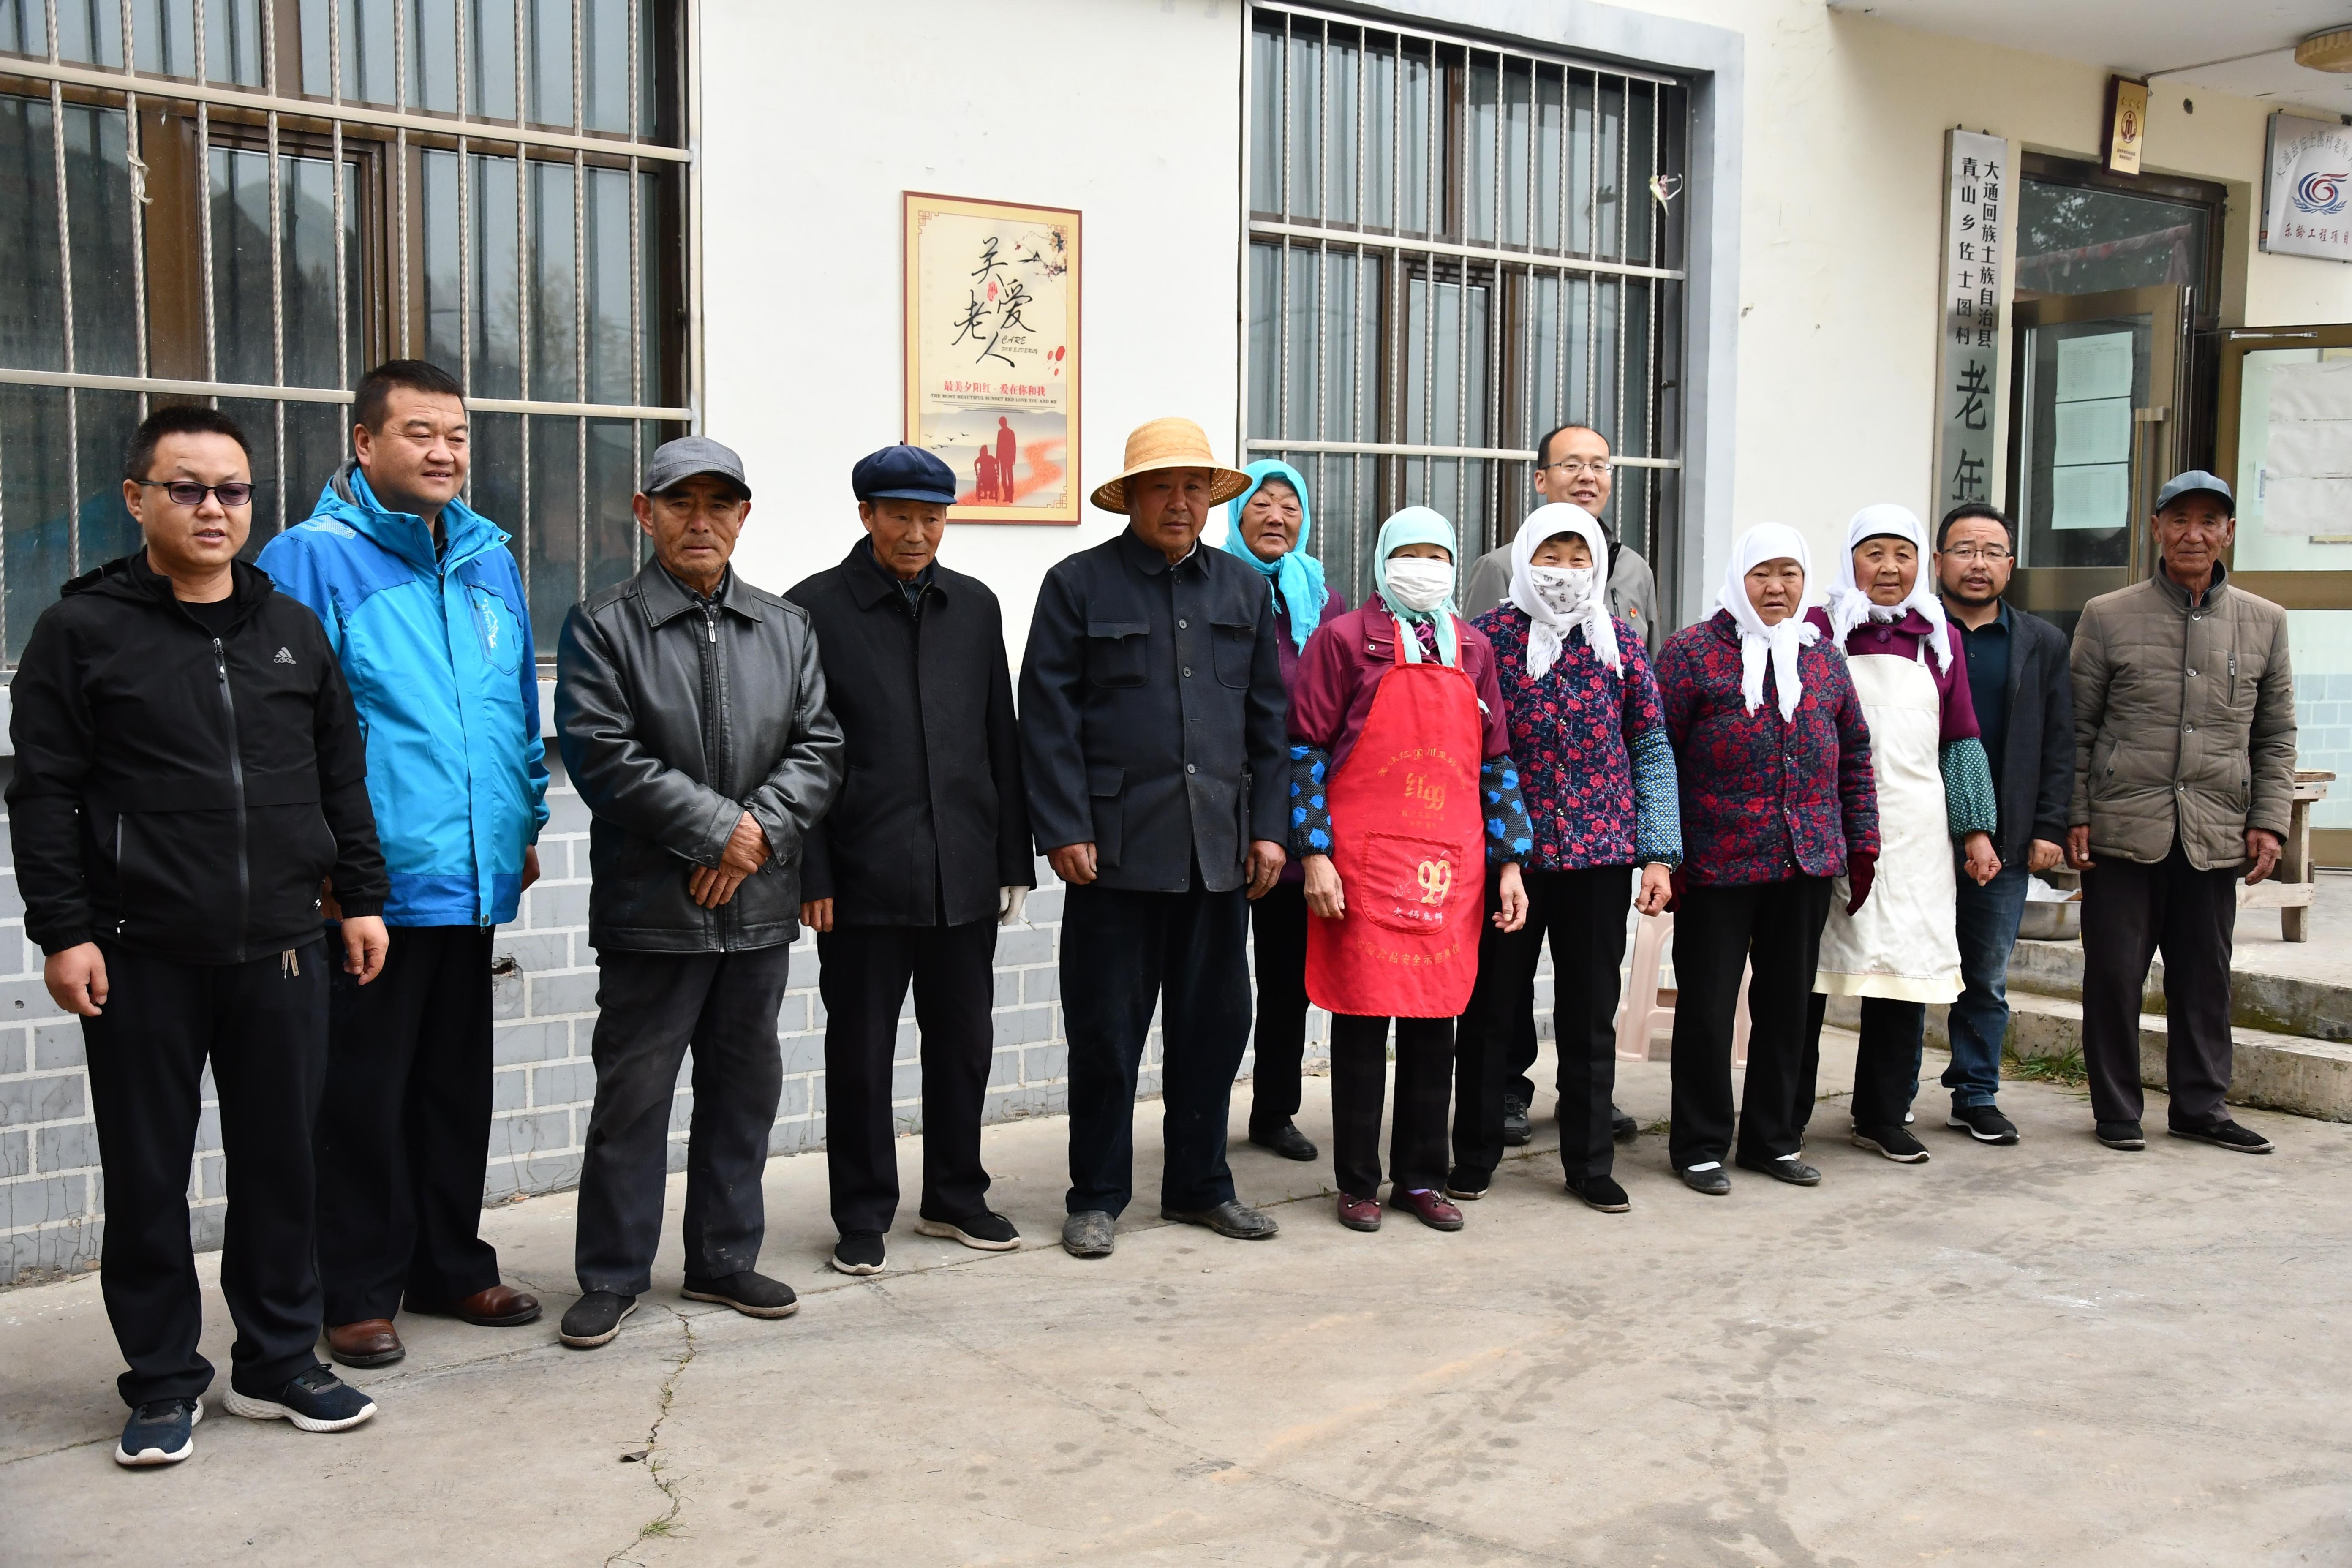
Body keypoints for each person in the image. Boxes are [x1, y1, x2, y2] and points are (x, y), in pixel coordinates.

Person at [12, 406, 392, 1465]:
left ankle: (277, 1363)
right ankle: (164, 1381)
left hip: (281, 948)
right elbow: (43, 795)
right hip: (138, 956)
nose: (214, 508)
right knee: (147, 1175)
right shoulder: (81, 632)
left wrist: (359, 896)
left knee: (282, 1166)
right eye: (188, 488)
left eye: (232, 490)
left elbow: (339, 775)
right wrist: (64, 931)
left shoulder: (291, 628)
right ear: (137, 499)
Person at [258, 360, 548, 1370]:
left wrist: (525, 821)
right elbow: (295, 733)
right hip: (370, 888)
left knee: (453, 1086)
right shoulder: (310, 560)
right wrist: (336, 876)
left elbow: (516, 705)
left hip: (471, 877)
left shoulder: (486, 558)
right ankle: (356, 1288)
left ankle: (450, 1264)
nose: (444, 452)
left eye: (458, 435)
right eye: (420, 432)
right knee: (361, 1095)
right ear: (364, 441)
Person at [553, 436, 844, 1347]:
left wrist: (753, 834)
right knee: (633, 1098)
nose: (702, 520)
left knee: (742, 1088)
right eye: (682, 503)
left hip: (755, 912)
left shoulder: (784, 626)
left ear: (744, 517)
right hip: (655, 910)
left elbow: (820, 745)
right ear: (646, 514)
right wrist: (722, 829)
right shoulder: (604, 625)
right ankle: (612, 1270)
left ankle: (723, 1255)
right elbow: (604, 754)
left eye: (722, 503)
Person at [1020, 417, 1290, 1258]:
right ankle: (1097, 1194)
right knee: (1105, 1033)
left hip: (1220, 853)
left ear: (1211, 500)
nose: (1180, 502)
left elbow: (1270, 724)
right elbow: (1047, 716)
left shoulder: (1245, 591)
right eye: (1162, 487)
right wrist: (1064, 825)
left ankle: (1200, 1184)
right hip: (1115, 855)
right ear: (1130, 497)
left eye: (1194, 488)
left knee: (1213, 1030)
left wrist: (1270, 831)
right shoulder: (1078, 585)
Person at [788, 445, 1034, 1276]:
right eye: (900, 515)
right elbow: (798, 753)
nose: (917, 532)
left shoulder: (975, 606)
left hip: (962, 868)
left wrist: (1013, 858)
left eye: (932, 517)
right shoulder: (812, 610)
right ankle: (862, 1211)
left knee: (964, 1041)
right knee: (860, 1050)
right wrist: (810, 870)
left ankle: (957, 1194)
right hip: (861, 878)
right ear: (866, 515)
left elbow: (999, 732)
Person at [1286, 507, 1532, 1233]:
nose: (1424, 567)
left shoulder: (1475, 649)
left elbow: (1496, 762)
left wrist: (1511, 861)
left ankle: (1422, 1179)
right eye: (1410, 553)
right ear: (1382, 559)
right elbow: (1304, 750)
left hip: (1448, 868)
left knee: (1434, 1028)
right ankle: (1357, 1181)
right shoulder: (1341, 641)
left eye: (1438, 555)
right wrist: (1315, 853)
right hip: (1359, 866)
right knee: (1362, 1025)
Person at [1454, 505, 1680, 1213]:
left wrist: (1659, 855)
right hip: (1508, 862)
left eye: (1577, 556)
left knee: (1590, 1015)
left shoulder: (1620, 645)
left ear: (1598, 566)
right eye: (1550, 553)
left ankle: (1588, 1162)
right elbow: (1471, 750)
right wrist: (1497, 850)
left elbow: (1650, 748)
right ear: (1523, 559)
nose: (1564, 570)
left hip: (1600, 855)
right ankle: (1476, 1152)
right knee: (1492, 1011)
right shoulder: (1486, 640)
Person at [2069, 471, 2295, 1155]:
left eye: (2210, 521)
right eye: (2180, 520)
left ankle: (2201, 1106)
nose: (2194, 534)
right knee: (2113, 974)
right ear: (2157, 528)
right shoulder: (2108, 614)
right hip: (2122, 826)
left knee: (2205, 976)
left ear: (2229, 532)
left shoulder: (2265, 621)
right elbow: (2077, 729)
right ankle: (2117, 1109)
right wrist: (2074, 812)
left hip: (2215, 827)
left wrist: (2270, 818)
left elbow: (2275, 734)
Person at [1654, 523, 1877, 1195]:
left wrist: (1861, 843)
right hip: (1716, 865)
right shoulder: (1692, 653)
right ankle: (1698, 1144)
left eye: (1790, 573)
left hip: (1804, 861)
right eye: (1762, 574)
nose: (1777, 587)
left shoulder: (1824, 657)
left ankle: (1773, 1140)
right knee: (1709, 1008)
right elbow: (1658, 754)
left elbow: (1856, 757)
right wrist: (1666, 853)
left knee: (1788, 1011)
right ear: (1738, 578)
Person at [1801, 506, 1999, 1163]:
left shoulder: (1935, 635)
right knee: (1810, 978)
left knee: (1904, 979)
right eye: (1873, 553)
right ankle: (1785, 1113)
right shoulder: (1818, 629)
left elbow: (1961, 738)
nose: (1889, 569)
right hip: (1831, 826)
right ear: (1850, 560)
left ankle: (1882, 1115)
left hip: (1916, 833)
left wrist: (1976, 833)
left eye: (1903, 555)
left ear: (1923, 565)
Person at [1219, 459, 1348, 1164]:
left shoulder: (1321, 598)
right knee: (1212, 980)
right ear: (1235, 518)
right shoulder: (1215, 583)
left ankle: (1275, 1110)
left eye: (1289, 506)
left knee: (1285, 979)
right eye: (1261, 503)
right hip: (1213, 806)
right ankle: (1203, 1109)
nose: (1275, 516)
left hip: (1293, 804)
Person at [1934, 501, 2074, 1144]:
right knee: (1908, 970)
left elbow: (2060, 743)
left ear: (2012, 565)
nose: (1978, 563)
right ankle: (1892, 1095)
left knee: (1986, 973)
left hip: (2009, 836)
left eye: (1992, 552)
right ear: (1939, 561)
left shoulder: (2041, 642)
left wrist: (2049, 827)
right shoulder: (1914, 630)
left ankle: (1976, 1091)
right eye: (1965, 550)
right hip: (1921, 832)